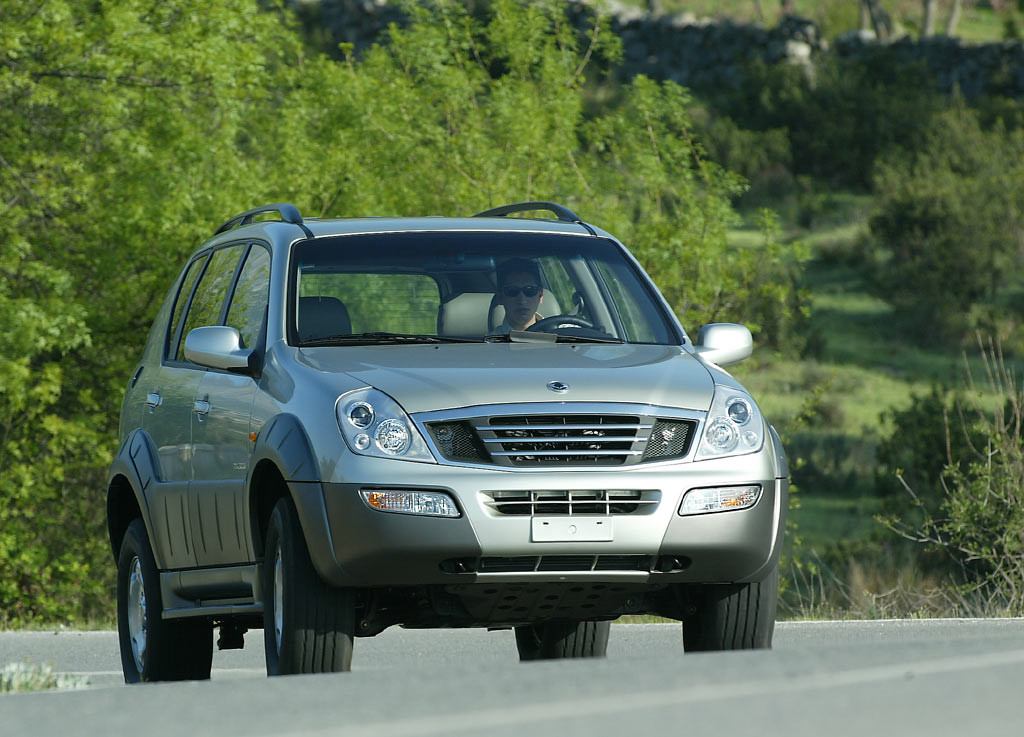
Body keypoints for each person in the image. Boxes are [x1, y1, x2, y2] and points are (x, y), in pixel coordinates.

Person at [493, 257, 544, 332]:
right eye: (512, 291)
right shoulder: (489, 342)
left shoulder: (561, 334)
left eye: (530, 290)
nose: (522, 300)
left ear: (541, 295)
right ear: (500, 297)